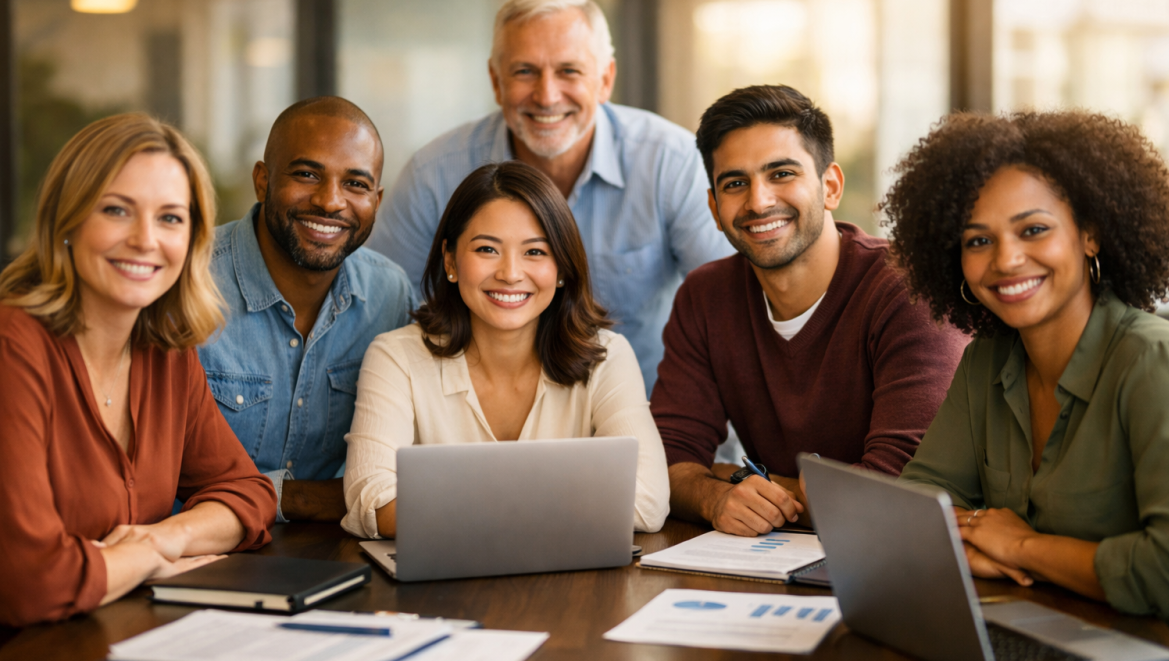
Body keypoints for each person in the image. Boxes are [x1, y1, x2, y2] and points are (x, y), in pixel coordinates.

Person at [885, 110, 1169, 650]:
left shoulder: (1156, 360)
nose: (1006, 260)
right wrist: (982, 545)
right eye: (978, 241)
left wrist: (1022, 548)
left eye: (1033, 230)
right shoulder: (986, 360)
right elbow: (915, 508)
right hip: (1036, 634)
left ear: (1091, 235)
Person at [367, 0, 729, 392]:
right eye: (525, 71)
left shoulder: (671, 163)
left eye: (569, 71)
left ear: (605, 79)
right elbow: (387, 315)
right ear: (496, 80)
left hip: (646, 415)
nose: (547, 95)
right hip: (476, 430)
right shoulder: (433, 175)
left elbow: (730, 313)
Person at [651, 85, 969, 537]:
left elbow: (896, 492)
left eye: (781, 174)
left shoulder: (909, 291)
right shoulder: (705, 297)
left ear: (830, 186)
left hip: (912, 563)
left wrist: (736, 476)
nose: (759, 201)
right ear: (714, 208)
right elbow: (666, 461)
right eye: (735, 183)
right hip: (774, 565)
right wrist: (713, 494)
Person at [0, 114, 276, 626]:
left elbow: (248, 494)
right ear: (67, 221)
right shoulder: (13, 349)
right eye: (117, 211)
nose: (146, 240)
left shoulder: (166, 351)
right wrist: (147, 558)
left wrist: (168, 535)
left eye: (170, 218)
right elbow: (28, 582)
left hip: (109, 640)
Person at [343, 161, 669, 539]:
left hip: (570, 586)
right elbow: (371, 501)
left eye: (535, 252)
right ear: (450, 260)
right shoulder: (395, 358)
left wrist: (449, 509)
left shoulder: (607, 356)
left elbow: (646, 501)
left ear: (562, 265)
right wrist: (572, 503)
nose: (511, 274)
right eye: (487, 249)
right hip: (440, 589)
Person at [198, 97, 416, 524]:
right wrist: (306, 500)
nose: (330, 202)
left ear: (377, 197)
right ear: (262, 181)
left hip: (342, 554)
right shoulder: (186, 283)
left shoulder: (391, 295)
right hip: (196, 553)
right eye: (307, 174)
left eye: (356, 184)